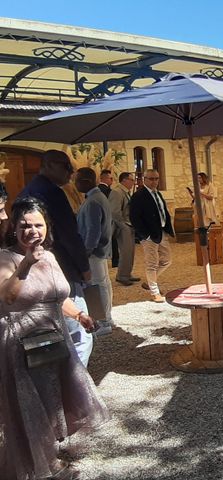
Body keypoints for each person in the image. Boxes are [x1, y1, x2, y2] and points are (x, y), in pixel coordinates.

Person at [0, 197, 109, 480]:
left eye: (38, 224)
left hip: (55, 338)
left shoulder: (49, 256)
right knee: (31, 403)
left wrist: (80, 317)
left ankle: (48, 451)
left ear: (47, 227)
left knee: (55, 399)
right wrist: (25, 264)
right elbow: (7, 297)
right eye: (25, 225)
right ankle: (38, 464)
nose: (32, 231)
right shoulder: (5, 257)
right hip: (23, 342)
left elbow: (56, 297)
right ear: (14, 227)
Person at [19, 149, 93, 366]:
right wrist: (84, 267)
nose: (71, 172)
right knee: (80, 334)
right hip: (61, 269)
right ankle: (77, 383)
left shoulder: (28, 190)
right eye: (66, 166)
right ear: (49, 165)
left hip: (33, 269)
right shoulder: (51, 192)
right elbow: (69, 235)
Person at [75, 168, 114, 336]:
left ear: (85, 181)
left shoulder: (92, 201)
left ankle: (104, 322)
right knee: (104, 284)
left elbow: (93, 230)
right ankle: (107, 318)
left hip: (94, 252)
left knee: (99, 286)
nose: (74, 184)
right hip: (101, 250)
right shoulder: (98, 197)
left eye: (77, 180)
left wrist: (86, 251)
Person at [130, 169, 173, 302]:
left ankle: (149, 282)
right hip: (149, 235)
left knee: (167, 260)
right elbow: (134, 218)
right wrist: (145, 235)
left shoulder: (157, 193)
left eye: (156, 178)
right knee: (152, 264)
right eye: (151, 179)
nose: (154, 181)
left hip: (161, 232)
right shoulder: (138, 196)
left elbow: (162, 211)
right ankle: (155, 292)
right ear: (145, 180)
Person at [109, 171, 140, 286]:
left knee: (130, 252)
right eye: (131, 180)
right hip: (123, 226)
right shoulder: (117, 192)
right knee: (125, 252)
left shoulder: (125, 192)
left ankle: (127, 273)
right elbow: (114, 212)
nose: (133, 182)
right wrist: (124, 226)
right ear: (124, 180)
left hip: (129, 225)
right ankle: (122, 276)